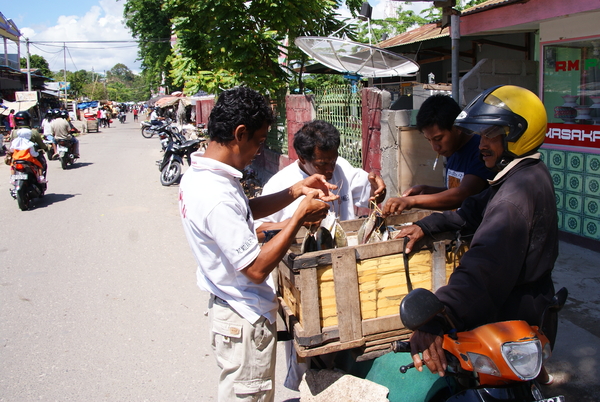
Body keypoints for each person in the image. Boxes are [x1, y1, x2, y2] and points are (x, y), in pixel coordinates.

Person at [178, 86, 338, 402]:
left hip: (231, 311)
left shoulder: (203, 175)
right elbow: (255, 268)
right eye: (259, 141)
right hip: (242, 315)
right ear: (240, 133)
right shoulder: (216, 194)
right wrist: (299, 218)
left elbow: (243, 211)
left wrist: (295, 191)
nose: (259, 150)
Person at [396, 85, 558, 383]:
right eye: (481, 135)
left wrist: (440, 315)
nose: (482, 144)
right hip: (525, 306)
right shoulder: (521, 174)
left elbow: (484, 267)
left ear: (517, 135)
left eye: (490, 135)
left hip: (514, 317)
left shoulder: (515, 195)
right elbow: (470, 211)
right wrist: (426, 225)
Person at [256, 119, 386, 239]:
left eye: (333, 161)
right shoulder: (280, 184)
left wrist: (378, 190)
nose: (331, 169)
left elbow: (372, 198)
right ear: (302, 158)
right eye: (322, 164)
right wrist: (298, 221)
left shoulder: (342, 167)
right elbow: (257, 231)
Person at [383, 94, 494, 216]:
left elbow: (463, 194)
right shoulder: (452, 150)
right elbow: (453, 190)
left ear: (458, 127)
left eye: (438, 138)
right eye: (429, 140)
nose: (435, 147)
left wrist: (412, 201)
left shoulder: (480, 151)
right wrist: (425, 190)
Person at [8, 111, 49, 182]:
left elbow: (11, 146)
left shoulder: (13, 132)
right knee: (41, 163)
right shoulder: (33, 132)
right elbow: (41, 144)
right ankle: (40, 177)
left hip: (17, 157)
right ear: (28, 120)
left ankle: (12, 177)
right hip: (30, 157)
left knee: (12, 165)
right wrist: (46, 148)